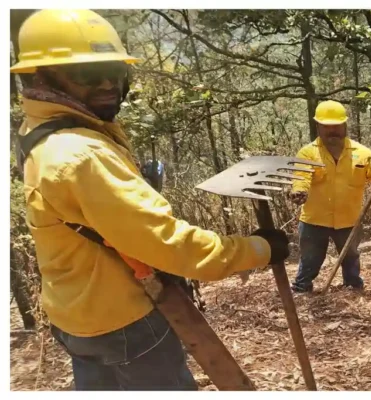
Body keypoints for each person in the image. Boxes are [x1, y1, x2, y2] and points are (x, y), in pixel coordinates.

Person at [10, 9, 290, 391]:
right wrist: (259, 249)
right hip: (124, 323)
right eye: (87, 74)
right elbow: (171, 246)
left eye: (114, 70)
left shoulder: (39, 132)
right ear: (41, 78)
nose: (108, 82)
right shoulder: (81, 154)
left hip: (76, 316)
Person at [289, 100, 371, 293]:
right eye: (327, 127)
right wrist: (298, 191)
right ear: (318, 126)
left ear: (344, 125)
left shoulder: (362, 153)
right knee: (310, 258)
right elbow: (300, 177)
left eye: (336, 126)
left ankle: (353, 287)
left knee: (350, 256)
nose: (332, 131)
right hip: (314, 219)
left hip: (349, 219)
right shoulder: (308, 152)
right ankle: (302, 289)